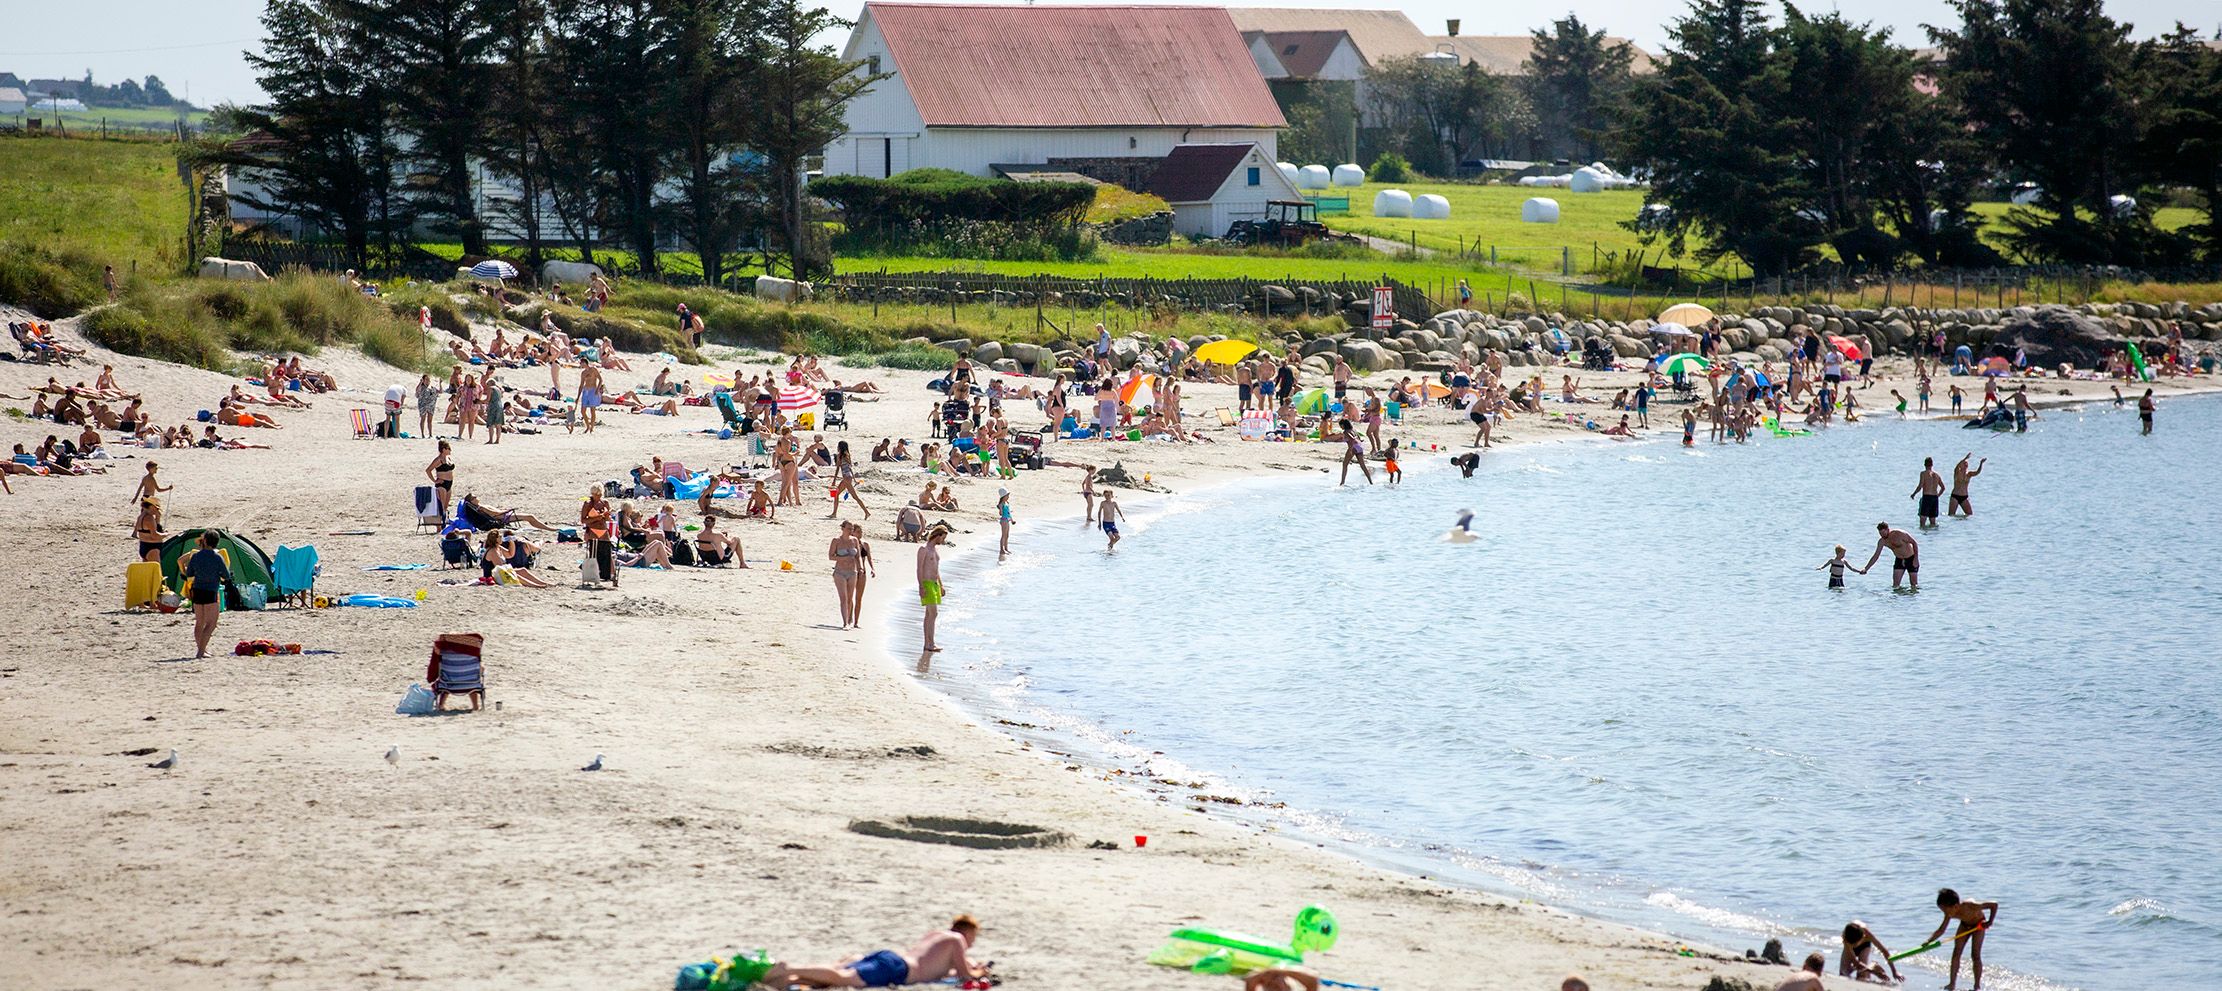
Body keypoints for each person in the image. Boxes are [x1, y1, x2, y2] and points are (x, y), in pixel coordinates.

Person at [1927, 888, 1998, 991]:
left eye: (1946, 910)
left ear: (1955, 906)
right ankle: (1952, 984)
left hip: (1978, 925)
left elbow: (1994, 905)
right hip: (1964, 925)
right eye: (1943, 911)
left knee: (1975, 954)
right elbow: (1941, 930)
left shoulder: (1970, 905)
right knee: (1956, 953)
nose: (1946, 913)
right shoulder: (1949, 913)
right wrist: (1929, 941)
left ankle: (1977, 986)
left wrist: (1990, 922)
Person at [183, 530, 231, 659]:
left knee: (199, 622)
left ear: (204, 541)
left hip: (197, 590)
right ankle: (200, 651)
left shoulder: (196, 556)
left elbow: (189, 574)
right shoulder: (217, 557)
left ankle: (202, 650)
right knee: (211, 624)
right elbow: (226, 575)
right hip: (210, 591)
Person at [1859, 521, 1920, 590]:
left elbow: (1914, 543)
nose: (1882, 535)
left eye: (1883, 533)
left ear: (1888, 530)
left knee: (1914, 585)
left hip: (1911, 558)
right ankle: (1896, 600)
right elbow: (1876, 556)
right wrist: (1866, 568)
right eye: (1880, 533)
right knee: (1895, 586)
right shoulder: (1882, 541)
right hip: (1899, 559)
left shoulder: (1899, 534)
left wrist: (1916, 559)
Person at [917, 526, 946, 653]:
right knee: (933, 613)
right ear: (937, 535)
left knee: (929, 615)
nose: (943, 541)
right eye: (943, 538)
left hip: (934, 584)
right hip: (927, 583)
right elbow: (919, 569)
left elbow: (936, 568)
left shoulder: (935, 550)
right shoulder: (924, 549)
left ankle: (929, 643)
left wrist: (941, 584)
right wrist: (921, 586)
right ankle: (929, 643)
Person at [829, 523, 864, 628]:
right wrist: (842, 558)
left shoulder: (854, 541)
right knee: (843, 598)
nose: (850, 530)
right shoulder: (836, 541)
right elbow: (830, 556)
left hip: (852, 572)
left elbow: (858, 556)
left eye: (852, 529)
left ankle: (849, 621)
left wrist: (861, 568)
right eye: (848, 528)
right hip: (840, 572)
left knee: (849, 597)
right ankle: (845, 623)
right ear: (843, 528)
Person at [826, 440, 869, 520]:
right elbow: (850, 468)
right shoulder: (847, 455)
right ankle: (866, 512)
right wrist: (854, 479)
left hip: (846, 477)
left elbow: (838, 468)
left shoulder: (840, 455)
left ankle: (834, 513)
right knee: (851, 496)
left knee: (843, 495)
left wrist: (834, 480)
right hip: (849, 477)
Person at [1335, 417, 1374, 486]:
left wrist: (1350, 449)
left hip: (1353, 448)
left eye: (1340, 425)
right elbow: (1359, 438)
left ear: (1343, 425)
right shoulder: (1353, 430)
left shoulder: (1346, 432)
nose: (1340, 427)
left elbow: (1352, 439)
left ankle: (1342, 482)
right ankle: (1371, 482)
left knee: (1345, 464)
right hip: (1360, 447)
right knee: (1363, 466)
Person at [425, 441, 456, 521]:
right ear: (443, 449)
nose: (450, 450)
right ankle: (438, 525)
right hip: (442, 484)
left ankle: (443, 522)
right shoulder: (438, 460)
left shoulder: (448, 458)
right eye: (448, 449)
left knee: (446, 506)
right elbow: (428, 470)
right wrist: (435, 481)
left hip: (449, 484)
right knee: (440, 505)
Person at [1912, 457, 1945, 526]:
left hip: (1927, 497)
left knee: (1922, 520)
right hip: (1935, 498)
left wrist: (1914, 494)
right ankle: (1932, 536)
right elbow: (1943, 488)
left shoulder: (1923, 474)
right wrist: (1937, 496)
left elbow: (1920, 486)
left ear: (1924, 464)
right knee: (1933, 521)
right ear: (1932, 465)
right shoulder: (1937, 475)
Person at [133, 497, 166, 562]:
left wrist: (158, 517)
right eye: (156, 508)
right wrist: (166, 534)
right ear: (151, 507)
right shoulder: (149, 518)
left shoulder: (141, 516)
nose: (157, 510)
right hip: (152, 548)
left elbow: (153, 528)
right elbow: (154, 535)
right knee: (155, 570)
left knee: (147, 570)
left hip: (144, 545)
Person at [996, 487, 1013, 561]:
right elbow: (1001, 513)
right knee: (1003, 535)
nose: (1008, 497)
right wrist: (1000, 509)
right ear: (1003, 496)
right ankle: (1001, 549)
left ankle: (1006, 548)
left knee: (1007, 535)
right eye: (1007, 496)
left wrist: (1012, 520)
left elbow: (1009, 513)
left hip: (1007, 520)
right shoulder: (1002, 504)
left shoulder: (1007, 503)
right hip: (1003, 520)